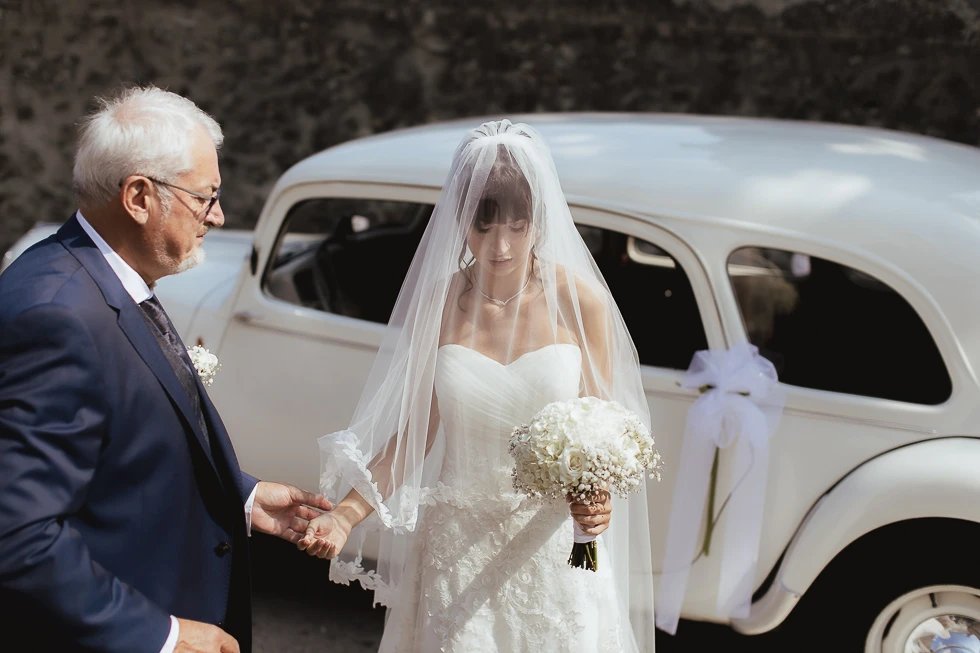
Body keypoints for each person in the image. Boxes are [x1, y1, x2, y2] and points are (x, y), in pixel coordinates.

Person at [300, 120, 657, 652]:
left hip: (552, 548)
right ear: (459, 220)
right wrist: (347, 517)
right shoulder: (439, 304)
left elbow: (603, 430)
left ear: (540, 218)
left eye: (518, 224)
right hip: (457, 548)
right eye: (483, 225)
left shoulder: (581, 303)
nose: (501, 245)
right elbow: (410, 437)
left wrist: (597, 496)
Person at [0, 86, 332, 653]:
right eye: (205, 196)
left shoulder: (105, 277)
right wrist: (163, 635)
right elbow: (17, 533)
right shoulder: (57, 315)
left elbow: (123, 453)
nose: (218, 215)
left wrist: (243, 497)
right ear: (138, 197)